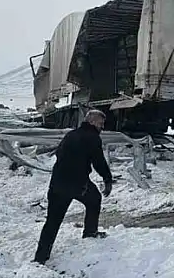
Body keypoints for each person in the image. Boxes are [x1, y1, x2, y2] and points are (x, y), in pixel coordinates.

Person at [33, 109, 114, 265]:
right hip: (77, 183)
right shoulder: (92, 137)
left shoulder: (71, 134)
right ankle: (90, 232)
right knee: (94, 199)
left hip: (57, 182)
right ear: (92, 122)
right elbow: (98, 161)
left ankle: (40, 257)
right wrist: (107, 179)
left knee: (52, 221)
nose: (102, 127)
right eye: (100, 123)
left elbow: (59, 154)